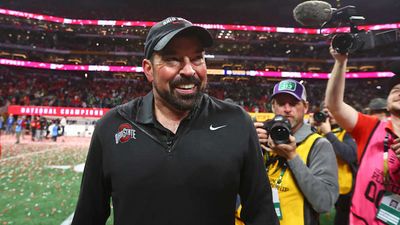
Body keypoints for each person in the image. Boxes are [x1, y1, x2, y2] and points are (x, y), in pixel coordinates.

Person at [72, 17, 279, 225]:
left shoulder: (236, 122)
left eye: (197, 58)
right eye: (172, 60)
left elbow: (262, 214)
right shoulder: (112, 126)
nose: (189, 70)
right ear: (148, 69)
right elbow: (88, 217)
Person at [325, 46, 400, 224]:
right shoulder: (371, 127)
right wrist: (340, 62)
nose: (398, 90)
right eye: (394, 89)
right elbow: (334, 105)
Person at [254, 79, 338, 225]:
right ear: (273, 107)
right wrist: (250, 145)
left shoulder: (319, 145)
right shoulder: (260, 136)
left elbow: (324, 203)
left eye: (293, 103)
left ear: (305, 107)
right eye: (281, 103)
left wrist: (292, 157)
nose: (287, 109)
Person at [310, 101, 357, 225]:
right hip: (319, 188)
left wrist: (329, 134)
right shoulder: (316, 133)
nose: (328, 114)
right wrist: (311, 128)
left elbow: (350, 156)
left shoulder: (347, 132)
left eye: (332, 110)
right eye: (325, 111)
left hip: (343, 192)